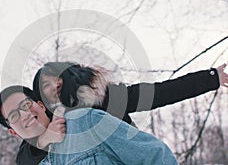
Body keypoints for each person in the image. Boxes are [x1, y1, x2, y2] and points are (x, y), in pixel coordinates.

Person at [12, 61, 228, 165]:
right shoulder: (49, 124)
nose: (54, 85)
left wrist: (209, 78)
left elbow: (159, 92)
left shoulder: (105, 98)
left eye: (56, 77)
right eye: (45, 85)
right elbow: (24, 158)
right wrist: (44, 140)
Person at [0, 85, 179, 165]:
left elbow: (155, 155)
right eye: (14, 115)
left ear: (40, 105)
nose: (25, 114)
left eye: (25, 105)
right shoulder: (32, 160)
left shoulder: (84, 121)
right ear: (13, 132)